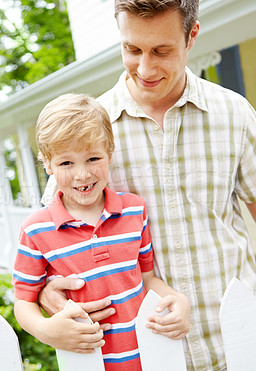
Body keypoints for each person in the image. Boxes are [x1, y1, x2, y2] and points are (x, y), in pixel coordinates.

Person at [38, 1, 256, 370]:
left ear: (192, 36)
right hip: (147, 355)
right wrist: (48, 293)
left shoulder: (234, 114)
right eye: (132, 49)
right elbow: (51, 238)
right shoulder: (88, 133)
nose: (145, 67)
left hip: (238, 342)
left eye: (162, 51)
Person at [12, 93, 190, 370]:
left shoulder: (134, 211)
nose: (82, 174)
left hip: (150, 357)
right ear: (47, 164)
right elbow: (23, 301)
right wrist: (46, 330)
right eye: (66, 163)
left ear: (109, 152)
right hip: (87, 361)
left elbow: (148, 278)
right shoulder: (35, 230)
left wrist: (178, 300)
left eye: (92, 158)